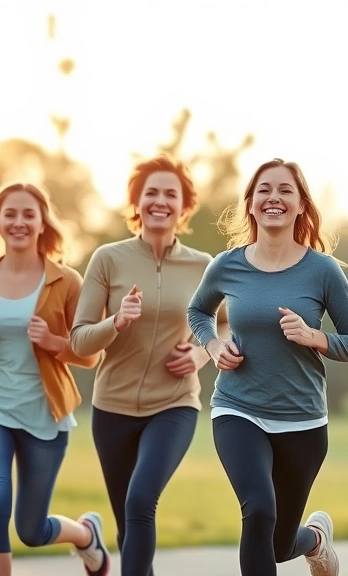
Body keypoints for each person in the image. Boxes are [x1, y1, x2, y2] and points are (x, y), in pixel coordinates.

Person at [187, 158, 348, 576]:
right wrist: (213, 345)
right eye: (264, 190)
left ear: (301, 205)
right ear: (250, 204)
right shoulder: (227, 264)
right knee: (258, 511)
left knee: (278, 544)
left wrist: (314, 337)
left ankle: (315, 541)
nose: (274, 198)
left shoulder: (322, 270)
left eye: (285, 190)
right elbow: (198, 311)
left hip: (302, 419)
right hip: (238, 408)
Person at [70, 154, 226, 576]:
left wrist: (202, 353)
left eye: (170, 194)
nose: (160, 201)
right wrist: (116, 321)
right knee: (129, 523)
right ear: (136, 202)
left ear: (184, 206)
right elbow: (79, 338)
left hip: (174, 405)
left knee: (140, 501)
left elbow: (229, 324)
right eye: (150, 192)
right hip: (112, 407)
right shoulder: (108, 259)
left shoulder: (203, 266)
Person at [0, 182, 110, 576]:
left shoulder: (66, 281)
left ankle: (86, 534)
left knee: (31, 531)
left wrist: (54, 342)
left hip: (44, 415)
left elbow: (92, 353)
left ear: (42, 223)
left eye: (28, 214)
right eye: (10, 214)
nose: (19, 222)